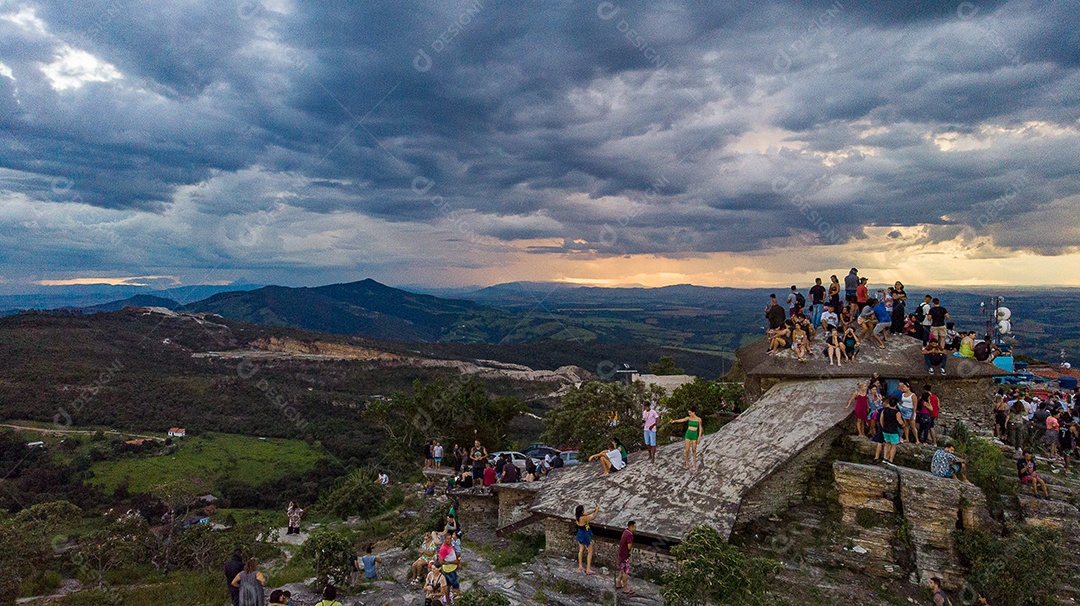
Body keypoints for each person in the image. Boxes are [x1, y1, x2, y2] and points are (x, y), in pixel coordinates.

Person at [670, 408, 703, 472]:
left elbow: (700, 428)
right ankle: (687, 463)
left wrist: (699, 437)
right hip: (688, 433)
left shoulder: (699, 419)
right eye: (689, 413)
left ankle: (694, 465)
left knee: (694, 449)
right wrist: (674, 421)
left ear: (694, 412)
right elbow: (682, 420)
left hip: (694, 434)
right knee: (687, 449)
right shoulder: (689, 418)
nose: (689, 414)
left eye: (690, 413)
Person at [574, 504, 599, 574]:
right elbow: (593, 517)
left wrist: (594, 509)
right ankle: (588, 569)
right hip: (585, 534)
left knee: (581, 550)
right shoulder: (583, 518)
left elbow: (587, 513)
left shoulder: (577, 517)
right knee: (590, 551)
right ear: (582, 511)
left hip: (579, 533)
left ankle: (580, 566)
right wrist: (597, 511)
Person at [437, 531, 462, 597]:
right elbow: (441, 561)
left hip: (452, 567)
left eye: (450, 538)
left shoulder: (450, 544)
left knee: (448, 585)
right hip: (449, 570)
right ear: (444, 539)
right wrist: (453, 562)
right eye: (447, 539)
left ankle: (448, 600)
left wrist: (457, 562)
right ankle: (458, 598)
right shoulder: (443, 548)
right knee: (455, 585)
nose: (449, 540)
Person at [879, 397, 903, 465]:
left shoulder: (885, 410)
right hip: (893, 431)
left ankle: (885, 458)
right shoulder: (897, 412)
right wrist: (904, 425)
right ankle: (890, 460)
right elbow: (900, 421)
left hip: (885, 430)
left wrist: (883, 426)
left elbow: (881, 419)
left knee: (887, 444)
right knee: (894, 445)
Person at [616, 520, 636, 595]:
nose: (635, 529)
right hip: (625, 555)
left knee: (621, 569)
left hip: (620, 554)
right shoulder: (630, 535)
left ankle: (618, 583)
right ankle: (625, 588)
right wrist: (630, 549)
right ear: (631, 527)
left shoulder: (625, 532)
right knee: (625, 571)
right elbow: (629, 546)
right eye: (634, 527)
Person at [898, 381, 919, 445]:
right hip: (904, 409)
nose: (903, 388)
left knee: (913, 426)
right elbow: (901, 401)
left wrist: (913, 414)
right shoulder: (903, 394)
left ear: (908, 388)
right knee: (906, 426)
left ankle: (917, 439)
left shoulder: (913, 395)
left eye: (904, 387)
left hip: (910, 410)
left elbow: (915, 405)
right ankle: (907, 438)